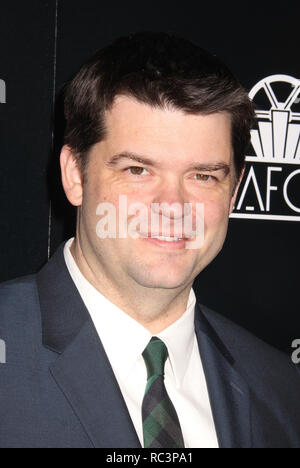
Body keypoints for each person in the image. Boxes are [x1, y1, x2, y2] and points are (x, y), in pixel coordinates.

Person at [0, 31, 299, 449]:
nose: (173, 206)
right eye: (138, 171)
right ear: (74, 175)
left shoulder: (281, 390)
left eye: (203, 176)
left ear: (233, 191)